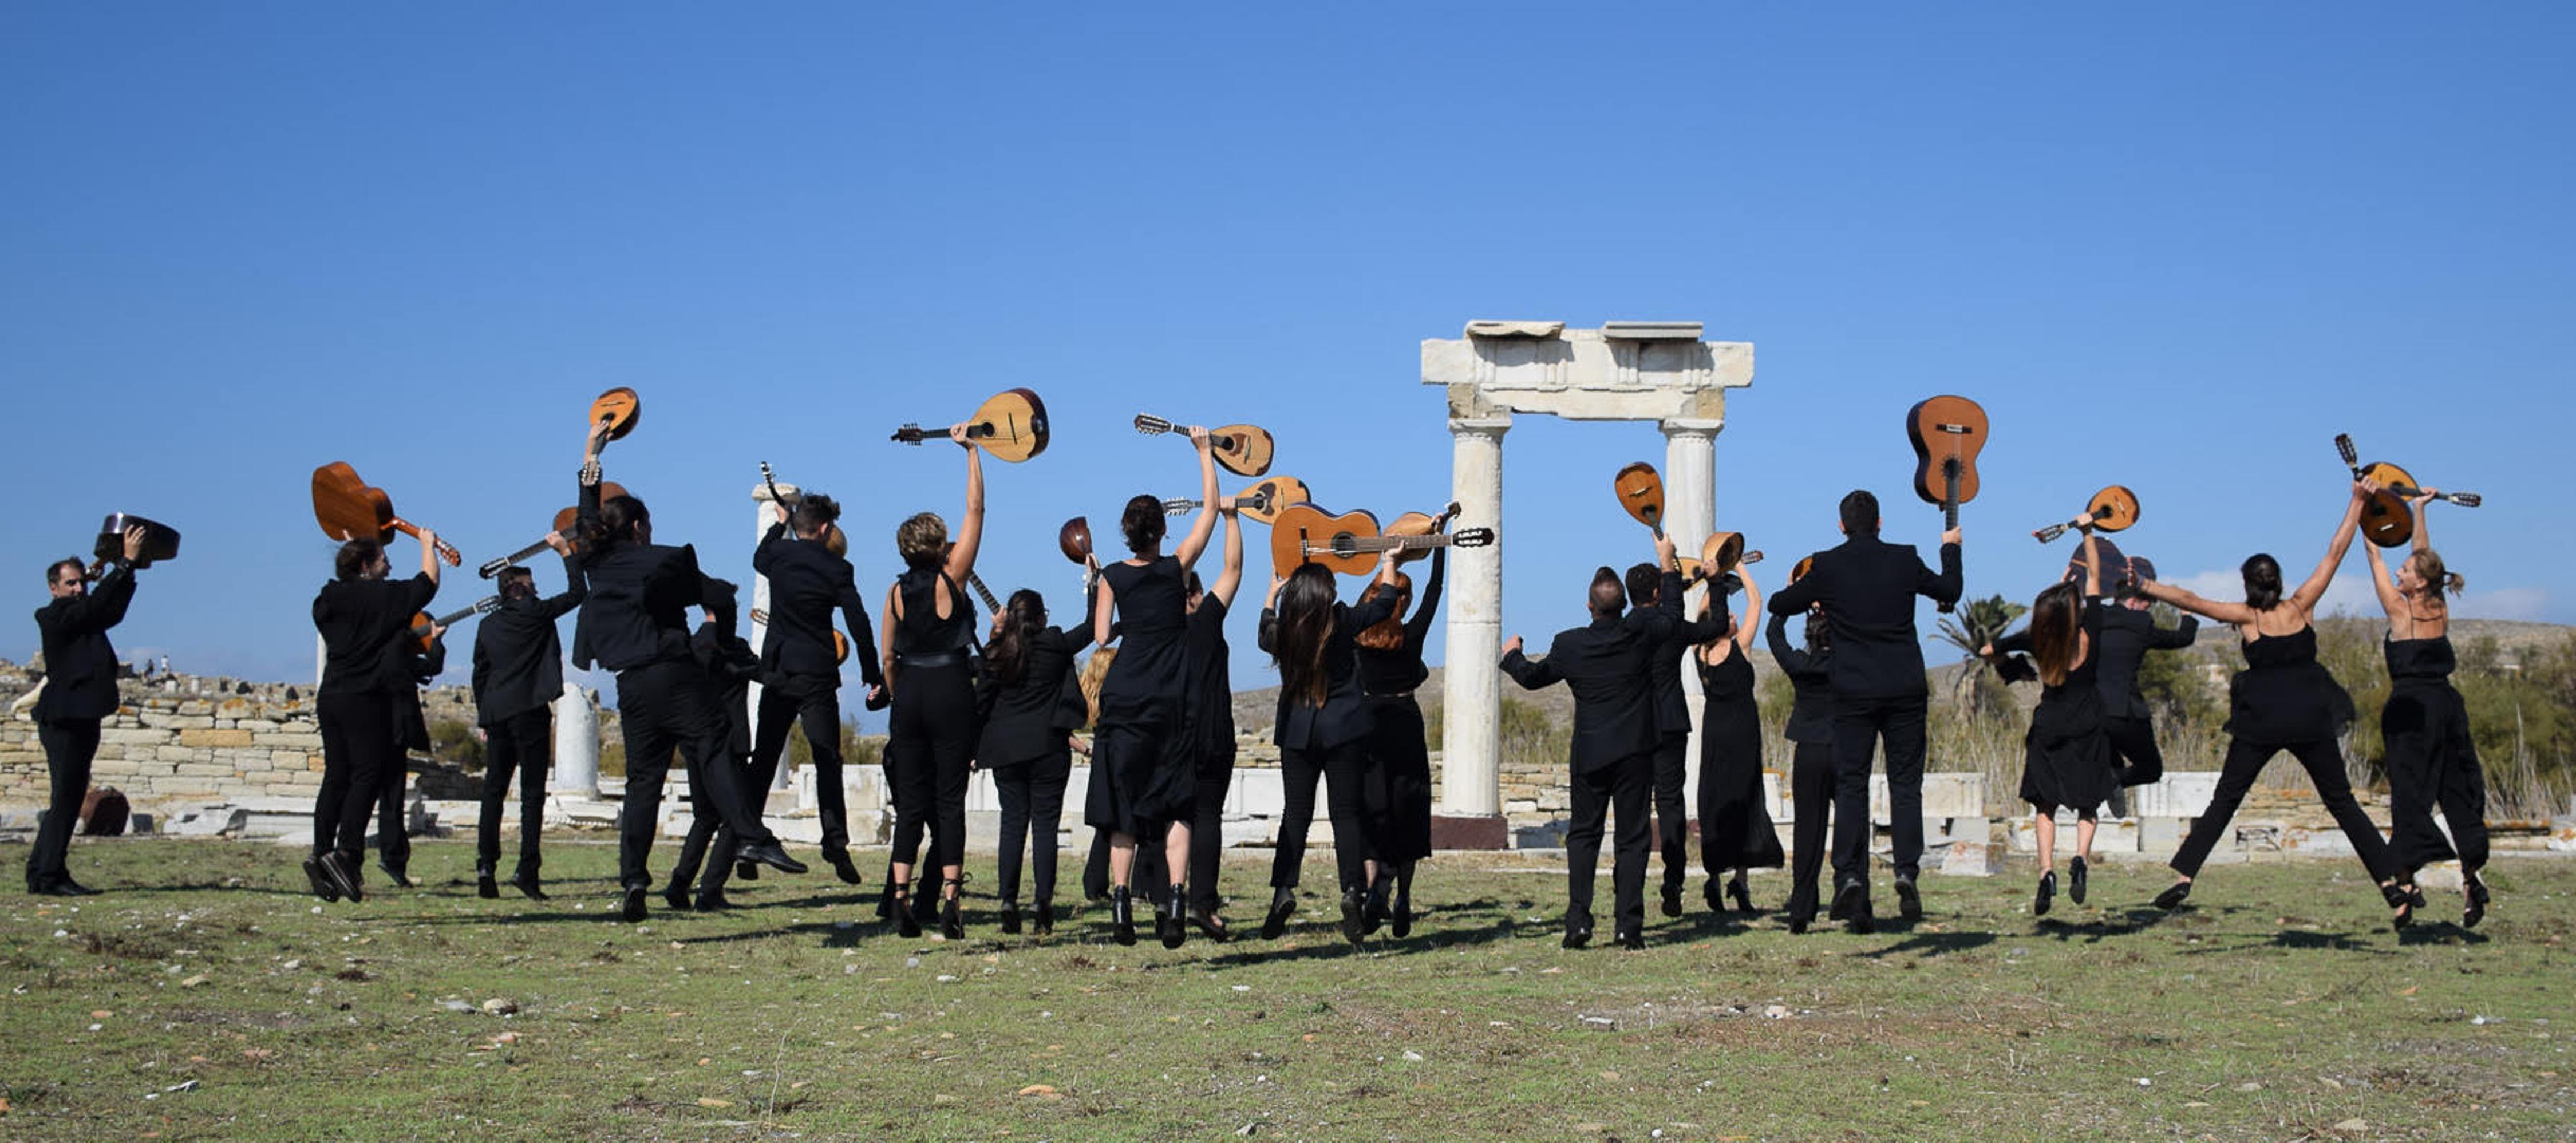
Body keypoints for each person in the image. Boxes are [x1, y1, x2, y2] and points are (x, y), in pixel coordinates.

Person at [2138, 479, 2410, 928]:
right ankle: (2389, 885)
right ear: (2279, 580)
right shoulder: (2302, 605)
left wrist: (2145, 585)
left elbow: (2191, 601)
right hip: (2309, 713)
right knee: (2342, 802)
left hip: (2262, 718)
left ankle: (2185, 875)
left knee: (2226, 799)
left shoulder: (2248, 618)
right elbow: (2335, 552)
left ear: (2248, 584)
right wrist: (2358, 501)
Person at [573, 426, 804, 924]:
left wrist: (592, 453)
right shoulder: (663, 560)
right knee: (715, 747)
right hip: (673, 673)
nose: (651, 530)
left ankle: (634, 878)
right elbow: (715, 596)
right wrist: (718, 599)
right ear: (636, 526)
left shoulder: (596, 562)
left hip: (630, 686)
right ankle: (751, 837)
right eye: (648, 523)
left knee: (642, 784)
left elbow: (586, 513)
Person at [1765, 489, 1961, 934]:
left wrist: (1809, 591)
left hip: (1853, 690)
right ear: (1880, 523)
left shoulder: (1828, 565)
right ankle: (1906, 870)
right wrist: (1951, 545)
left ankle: (1850, 874)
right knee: (1905, 782)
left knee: (1852, 782)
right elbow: (1950, 589)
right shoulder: (1905, 559)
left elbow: (1779, 605)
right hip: (1905, 685)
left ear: (1841, 526)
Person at [1500, 533, 1684, 950]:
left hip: (1591, 753)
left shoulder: (1570, 644)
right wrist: (1667, 563)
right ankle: (1628, 927)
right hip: (1637, 752)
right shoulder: (1640, 633)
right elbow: (1672, 615)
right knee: (1633, 839)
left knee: (1584, 836)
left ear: (1589, 606)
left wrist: (1511, 654)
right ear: (1624, 607)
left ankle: (1579, 923)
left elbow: (1533, 678)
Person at [1088, 428, 1221, 947]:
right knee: (1176, 804)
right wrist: (1204, 453)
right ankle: (1176, 899)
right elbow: (1210, 512)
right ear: (1164, 530)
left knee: (1121, 806)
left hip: (1125, 699)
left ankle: (1121, 900)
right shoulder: (1175, 569)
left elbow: (1101, 637)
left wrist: (1104, 588)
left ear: (1126, 534)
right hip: (1172, 701)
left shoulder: (1113, 578)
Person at [878, 425, 987, 939]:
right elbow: (977, 514)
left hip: (912, 693)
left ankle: (899, 900)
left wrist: (900, 696)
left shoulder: (896, 592)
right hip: (950, 689)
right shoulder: (952, 579)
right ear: (939, 544)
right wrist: (972, 455)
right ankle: (950, 901)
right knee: (950, 801)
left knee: (911, 802)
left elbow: (887, 656)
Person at [2362, 488, 2490, 927]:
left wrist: (2367, 512)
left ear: (2418, 581)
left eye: (2407, 570)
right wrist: (2417, 509)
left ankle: (2405, 882)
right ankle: (2472, 877)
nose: (2400, 571)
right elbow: (2424, 554)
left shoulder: (2401, 610)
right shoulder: (2437, 603)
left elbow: (2374, 555)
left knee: (2411, 795)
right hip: (2449, 706)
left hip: (2411, 711)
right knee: (2457, 788)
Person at [1261, 552, 1404, 944]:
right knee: (1346, 815)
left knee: (1297, 815)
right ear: (1326, 595)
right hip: (1344, 728)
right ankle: (1352, 891)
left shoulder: (1285, 631)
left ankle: (1283, 891)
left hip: (1297, 732)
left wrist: (1271, 596)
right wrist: (1389, 561)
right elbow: (1385, 603)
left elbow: (1263, 632)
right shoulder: (1341, 619)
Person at [748, 492, 884, 887]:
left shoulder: (778, 556)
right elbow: (858, 623)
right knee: (828, 758)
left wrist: (779, 522)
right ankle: (835, 843)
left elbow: (760, 557)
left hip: (778, 670)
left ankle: (746, 832)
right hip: (818, 673)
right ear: (826, 528)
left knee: (764, 758)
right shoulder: (837, 567)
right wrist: (872, 671)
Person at [1985, 533, 2117, 917]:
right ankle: (2080, 859)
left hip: (2050, 724)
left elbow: (1989, 650)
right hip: (2089, 722)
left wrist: (2017, 673)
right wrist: (2087, 531)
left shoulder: (2037, 638)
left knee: (2045, 804)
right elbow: (2094, 575)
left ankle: (2046, 872)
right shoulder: (2091, 627)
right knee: (2087, 805)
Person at [309, 527, 440, 903]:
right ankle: (347, 853)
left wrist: (355, 547)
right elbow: (428, 581)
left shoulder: (328, 597)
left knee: (336, 775)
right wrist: (427, 544)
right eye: (384, 559)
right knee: (367, 772)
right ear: (367, 565)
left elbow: (336, 609)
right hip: (366, 697)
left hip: (331, 694)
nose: (389, 564)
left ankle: (319, 851)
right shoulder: (385, 597)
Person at [27, 525, 148, 897]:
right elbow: (97, 607)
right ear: (54, 588)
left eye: (81, 583)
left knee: (68, 795)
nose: (78, 589)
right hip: (63, 719)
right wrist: (124, 563)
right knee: (65, 798)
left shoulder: (85, 615)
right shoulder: (53, 616)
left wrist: (124, 572)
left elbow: (110, 610)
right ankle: (48, 876)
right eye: (70, 584)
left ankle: (42, 870)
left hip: (83, 717)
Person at [976, 586, 1095, 937]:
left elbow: (981, 700)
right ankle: (1043, 903)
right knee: (1045, 828)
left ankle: (1008, 901)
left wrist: (995, 632)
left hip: (1006, 751)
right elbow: (1090, 628)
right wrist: (1092, 582)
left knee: (1012, 826)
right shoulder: (1055, 643)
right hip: (1047, 747)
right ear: (1042, 617)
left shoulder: (998, 651)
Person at [470, 537, 584, 900]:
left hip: (497, 714)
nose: (537, 590)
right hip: (530, 711)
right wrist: (566, 553)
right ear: (519, 588)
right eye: (533, 584)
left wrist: (484, 718)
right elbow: (577, 592)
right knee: (532, 796)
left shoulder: (487, 626)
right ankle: (527, 870)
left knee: (494, 792)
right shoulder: (536, 613)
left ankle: (486, 864)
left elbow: (480, 674)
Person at [1622, 559, 1726, 919]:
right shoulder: (1672, 628)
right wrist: (1716, 585)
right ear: (1657, 593)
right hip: (1669, 724)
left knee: (1632, 808)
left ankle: (1629, 887)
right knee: (1670, 806)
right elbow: (1715, 626)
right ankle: (1673, 880)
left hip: (1632, 727)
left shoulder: (1622, 629)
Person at [1356, 539, 1443, 938]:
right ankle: (1402, 893)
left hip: (1370, 721)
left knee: (1373, 809)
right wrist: (1440, 546)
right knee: (1408, 809)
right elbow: (1435, 591)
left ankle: (1375, 888)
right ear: (1401, 601)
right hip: (1405, 722)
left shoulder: (1357, 638)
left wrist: (1385, 570)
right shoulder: (1411, 637)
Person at [1694, 565, 1781, 916]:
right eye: (1728, 613)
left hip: (1716, 734)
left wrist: (1714, 581)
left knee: (1718, 801)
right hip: (1742, 733)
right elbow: (1757, 601)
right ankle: (1738, 881)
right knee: (1744, 801)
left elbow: (1703, 611)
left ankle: (1721, 879)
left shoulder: (1699, 652)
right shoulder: (1739, 644)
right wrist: (1739, 566)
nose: (1733, 615)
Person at [1179, 503, 1249, 939]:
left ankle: (1165, 894)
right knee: (1207, 817)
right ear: (1196, 595)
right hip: (1213, 733)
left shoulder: (1156, 628)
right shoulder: (1206, 620)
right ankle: (1203, 902)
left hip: (1171, 733)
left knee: (1170, 817)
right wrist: (1231, 518)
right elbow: (1234, 566)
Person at [2090, 554, 2197, 818]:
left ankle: (2109, 778)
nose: (2149, 610)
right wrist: (2187, 610)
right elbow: (2183, 638)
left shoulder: (2094, 618)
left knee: (2110, 756)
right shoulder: (2141, 625)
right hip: (2125, 712)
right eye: (2149, 604)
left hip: (2090, 712)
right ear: (2137, 601)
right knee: (2151, 770)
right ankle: (2114, 782)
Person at [1765, 564, 1836, 932]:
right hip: (1845, 747)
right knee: (1850, 828)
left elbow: (1773, 632)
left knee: (1809, 831)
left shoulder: (1801, 664)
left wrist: (1792, 597)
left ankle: (1802, 908)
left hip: (1809, 750)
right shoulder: (1850, 664)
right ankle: (1852, 897)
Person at [374, 620, 447, 887]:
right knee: (390, 799)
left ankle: (362, 861)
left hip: (369, 729)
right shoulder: (400, 655)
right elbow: (432, 666)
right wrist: (436, 641)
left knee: (376, 798)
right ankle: (392, 859)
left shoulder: (376, 648)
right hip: (392, 733)